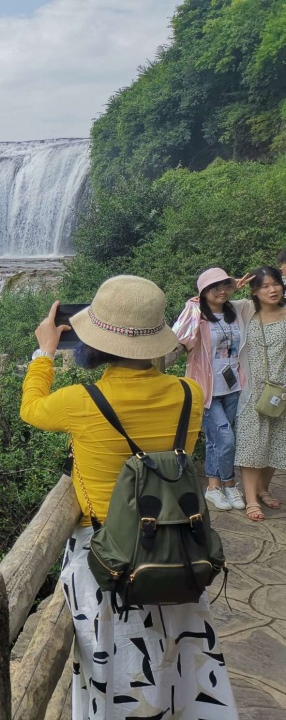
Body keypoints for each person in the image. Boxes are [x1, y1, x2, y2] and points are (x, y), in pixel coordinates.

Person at [20, 276, 237, 718]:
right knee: (175, 657)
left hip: (109, 553)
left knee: (117, 667)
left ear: (93, 340)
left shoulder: (81, 401)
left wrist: (45, 351)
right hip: (175, 547)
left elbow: (31, 409)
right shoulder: (187, 394)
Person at [171, 268, 253, 511]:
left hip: (233, 385)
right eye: (213, 287)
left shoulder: (235, 311)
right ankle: (229, 482)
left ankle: (215, 487)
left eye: (225, 285)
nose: (221, 291)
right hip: (206, 388)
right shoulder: (196, 313)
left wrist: (232, 290)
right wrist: (197, 301)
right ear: (202, 292)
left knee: (217, 440)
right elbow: (179, 335)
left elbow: (253, 304)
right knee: (226, 438)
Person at [235, 266, 286, 521]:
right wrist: (232, 286)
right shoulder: (245, 311)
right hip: (252, 389)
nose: (272, 289)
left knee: (277, 443)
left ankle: (264, 489)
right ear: (254, 291)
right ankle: (251, 499)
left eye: (275, 283)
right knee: (252, 444)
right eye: (264, 286)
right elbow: (201, 304)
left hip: (283, 390)